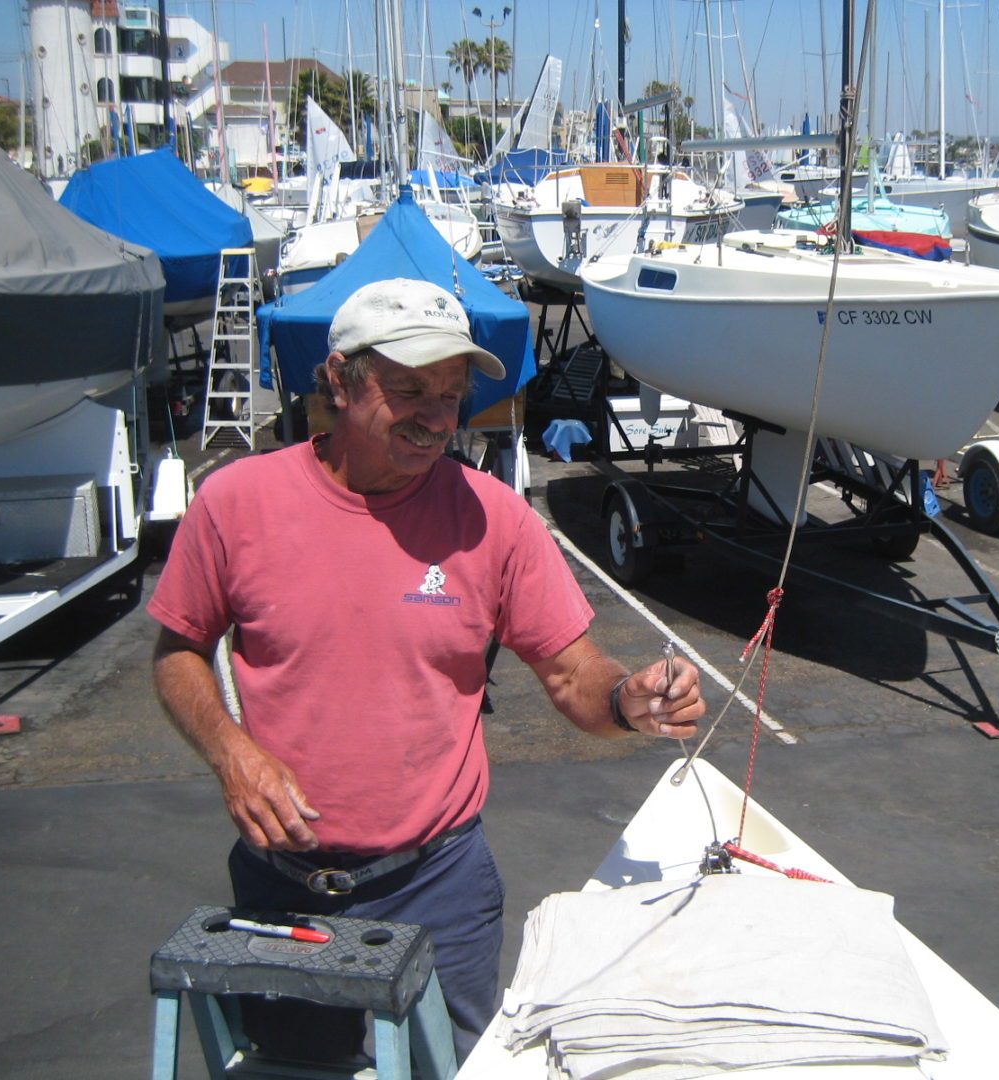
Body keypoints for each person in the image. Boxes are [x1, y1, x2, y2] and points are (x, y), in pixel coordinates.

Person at [149, 278, 704, 1064]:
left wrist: (628, 698)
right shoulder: (236, 500)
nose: (437, 418)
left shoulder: (497, 517)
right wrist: (230, 752)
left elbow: (572, 672)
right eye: (409, 389)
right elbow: (177, 650)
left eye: (452, 394)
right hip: (279, 888)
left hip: (437, 888)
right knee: (297, 1068)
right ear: (339, 380)